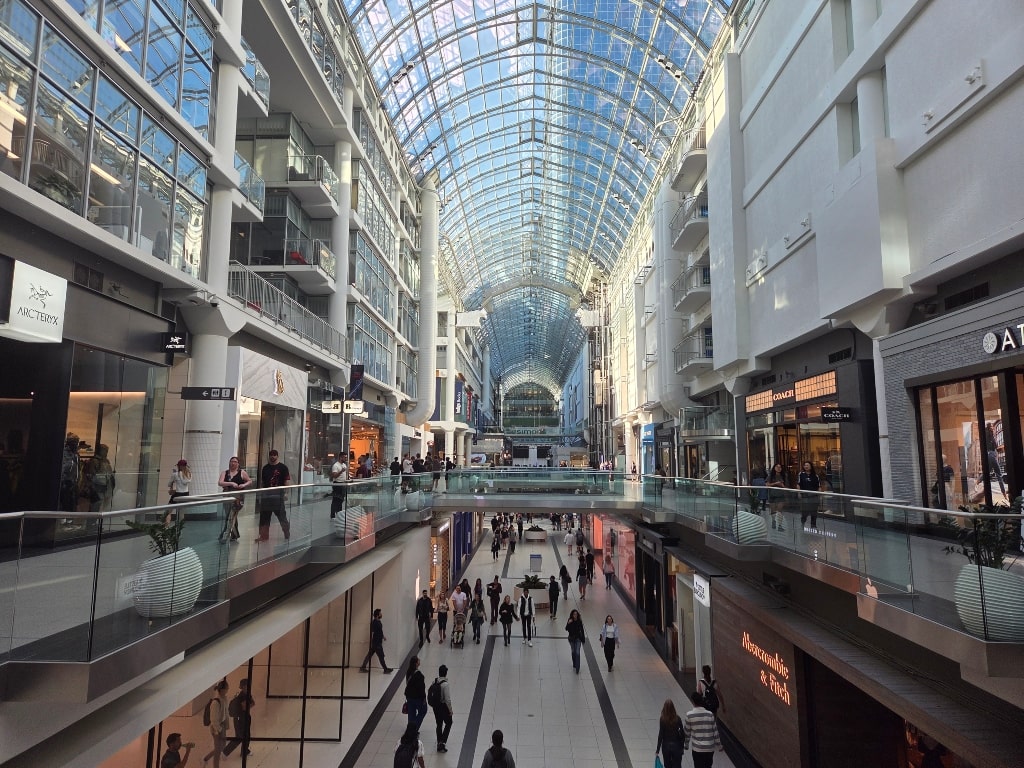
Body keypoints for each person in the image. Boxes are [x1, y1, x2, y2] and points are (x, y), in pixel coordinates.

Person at [256, 449, 291, 542]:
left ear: (277, 456)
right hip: (266, 496)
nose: (272, 457)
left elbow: (286, 481)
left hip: (278, 496)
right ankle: (263, 535)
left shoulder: (283, 467)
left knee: (281, 515)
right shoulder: (265, 468)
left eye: (274, 455)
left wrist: (286, 493)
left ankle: (286, 532)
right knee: (264, 517)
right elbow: (263, 482)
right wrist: (260, 493)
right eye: (271, 455)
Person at [683, 690, 724, 767]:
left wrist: (686, 744)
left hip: (697, 749)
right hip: (709, 748)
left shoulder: (689, 715)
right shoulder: (710, 714)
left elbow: (687, 732)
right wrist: (719, 746)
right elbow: (715, 732)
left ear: (693, 701)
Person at [217, 457, 251, 542]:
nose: (233, 463)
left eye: (235, 462)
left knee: (231, 515)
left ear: (238, 463)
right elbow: (220, 482)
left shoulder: (242, 472)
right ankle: (235, 535)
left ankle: (225, 534)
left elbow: (249, 481)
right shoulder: (225, 472)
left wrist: (243, 485)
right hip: (227, 496)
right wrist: (231, 483)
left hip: (238, 497)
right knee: (230, 514)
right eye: (231, 461)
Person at [222, 678, 254, 758]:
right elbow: (245, 707)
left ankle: (244, 751)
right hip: (240, 718)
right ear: (243, 687)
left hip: (244, 717)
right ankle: (225, 752)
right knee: (240, 737)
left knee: (246, 735)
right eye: (247, 685)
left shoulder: (247, 694)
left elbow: (251, 703)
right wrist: (248, 705)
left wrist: (248, 705)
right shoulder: (242, 696)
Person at [202, 680, 230, 767]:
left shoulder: (224, 699)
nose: (228, 690)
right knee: (218, 750)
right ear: (222, 690)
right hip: (216, 729)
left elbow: (226, 713)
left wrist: (226, 725)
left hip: (222, 726)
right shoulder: (215, 702)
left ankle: (206, 758)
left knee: (221, 747)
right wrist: (220, 730)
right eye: (226, 688)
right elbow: (213, 720)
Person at [82, 443, 116, 513]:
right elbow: (91, 475)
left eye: (107, 451)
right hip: (97, 489)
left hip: (106, 489)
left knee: (102, 509)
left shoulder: (106, 461)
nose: (106, 452)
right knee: (95, 508)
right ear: (100, 451)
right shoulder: (94, 461)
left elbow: (109, 474)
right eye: (104, 450)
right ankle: (91, 523)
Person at [359, 608, 393, 673]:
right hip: (377, 643)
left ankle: (363, 667)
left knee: (370, 655)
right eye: (380, 613)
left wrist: (383, 636)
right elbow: (372, 632)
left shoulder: (378, 622)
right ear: (377, 615)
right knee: (381, 656)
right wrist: (373, 641)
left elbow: (380, 631)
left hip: (376, 642)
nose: (381, 614)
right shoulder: (374, 623)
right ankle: (385, 669)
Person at [655, 698, 686, 768]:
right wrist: (682, 745)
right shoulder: (677, 719)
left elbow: (661, 735)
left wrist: (657, 750)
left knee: (667, 765)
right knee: (677, 765)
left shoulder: (662, 719)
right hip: (676, 745)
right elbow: (682, 733)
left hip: (666, 746)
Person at [431, 664, 453, 753]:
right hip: (443, 707)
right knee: (449, 722)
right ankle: (442, 742)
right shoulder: (445, 684)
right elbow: (447, 699)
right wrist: (450, 710)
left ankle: (439, 742)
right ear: (446, 673)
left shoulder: (435, 681)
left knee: (439, 724)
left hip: (436, 707)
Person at [59, 433, 82, 513]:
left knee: (72, 503)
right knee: (66, 503)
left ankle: (69, 522)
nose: (76, 444)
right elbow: (64, 469)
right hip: (66, 483)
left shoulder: (75, 454)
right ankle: (64, 522)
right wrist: (65, 482)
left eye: (77, 442)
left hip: (73, 482)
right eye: (75, 442)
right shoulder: (64, 454)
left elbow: (77, 469)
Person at [404, 656, 428, 728]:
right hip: (417, 698)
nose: (419, 661)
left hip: (409, 696)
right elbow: (421, 688)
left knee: (411, 713)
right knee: (423, 711)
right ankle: (414, 728)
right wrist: (424, 698)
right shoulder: (419, 675)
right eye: (418, 660)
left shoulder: (408, 672)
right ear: (416, 663)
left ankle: (410, 728)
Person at [797, 461, 820, 528]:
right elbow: (798, 484)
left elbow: (819, 486)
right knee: (805, 511)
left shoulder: (815, 475)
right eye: (805, 465)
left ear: (811, 466)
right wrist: (799, 493)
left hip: (814, 496)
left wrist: (819, 495)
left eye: (807, 465)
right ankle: (803, 523)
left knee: (814, 512)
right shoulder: (801, 474)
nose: (806, 466)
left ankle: (813, 525)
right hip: (805, 496)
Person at [767, 462, 788, 531]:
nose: (779, 468)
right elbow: (767, 485)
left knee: (779, 511)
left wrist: (782, 486)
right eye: (777, 467)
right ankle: (773, 521)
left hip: (781, 496)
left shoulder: (784, 476)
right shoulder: (771, 476)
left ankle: (780, 525)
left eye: (780, 467)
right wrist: (775, 483)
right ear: (774, 468)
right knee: (773, 511)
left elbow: (786, 487)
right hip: (772, 495)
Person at [565, 609, 586, 674]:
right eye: (574, 614)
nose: (575, 615)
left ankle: (577, 667)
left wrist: (583, 639)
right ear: (572, 615)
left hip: (578, 639)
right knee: (573, 651)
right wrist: (568, 623)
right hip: (571, 639)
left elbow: (582, 630)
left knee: (577, 652)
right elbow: (566, 629)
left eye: (576, 614)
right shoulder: (570, 620)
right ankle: (574, 663)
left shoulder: (579, 621)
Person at [329, 451, 349, 519]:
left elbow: (345, 474)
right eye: (345, 457)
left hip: (343, 484)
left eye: (346, 457)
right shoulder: (336, 465)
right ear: (341, 457)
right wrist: (341, 471)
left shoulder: (344, 465)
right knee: (335, 499)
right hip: (337, 484)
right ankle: (332, 515)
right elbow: (334, 476)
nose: (346, 459)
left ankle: (339, 513)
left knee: (341, 500)